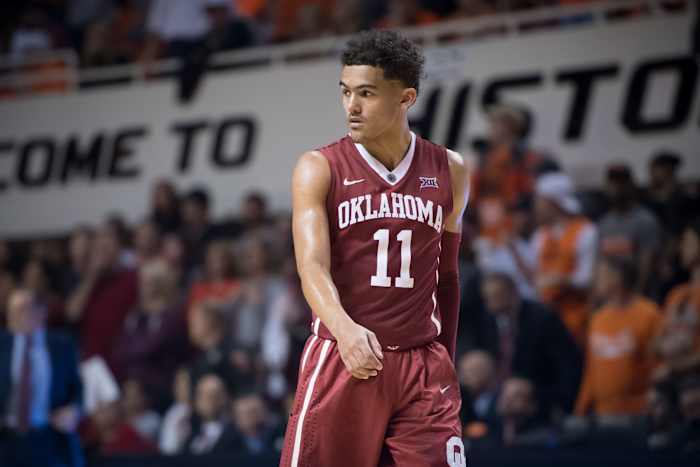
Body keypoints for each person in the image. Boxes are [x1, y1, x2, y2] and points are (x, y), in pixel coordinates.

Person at [279, 30, 471, 467]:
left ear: (406, 98)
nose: (352, 106)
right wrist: (345, 330)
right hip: (343, 357)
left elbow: (447, 275)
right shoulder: (319, 167)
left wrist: (446, 362)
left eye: (366, 93)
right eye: (345, 92)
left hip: (423, 366)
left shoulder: (450, 169)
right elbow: (311, 267)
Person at [474, 272, 582, 416]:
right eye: (488, 298)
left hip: (538, 394)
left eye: (496, 296)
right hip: (499, 391)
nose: (491, 303)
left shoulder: (542, 319)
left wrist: (533, 390)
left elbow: (567, 364)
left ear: (512, 293)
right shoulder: (488, 321)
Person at [0, 289, 84, 467]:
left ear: (40, 312)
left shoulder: (62, 345)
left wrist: (74, 410)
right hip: (5, 439)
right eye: (11, 310)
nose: (14, 316)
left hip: (48, 437)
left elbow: (77, 388)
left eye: (22, 309)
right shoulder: (2, 344)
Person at [575, 255, 662, 420]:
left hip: (640, 413)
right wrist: (581, 409)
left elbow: (658, 363)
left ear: (617, 277)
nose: (596, 281)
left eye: (601, 274)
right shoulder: (597, 319)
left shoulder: (649, 314)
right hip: (603, 415)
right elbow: (590, 370)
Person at [532, 172, 598, 346]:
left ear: (553, 203)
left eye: (540, 200)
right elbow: (536, 278)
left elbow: (589, 279)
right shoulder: (540, 235)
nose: (536, 206)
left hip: (575, 319)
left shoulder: (586, 231)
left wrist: (561, 280)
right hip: (545, 317)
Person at [597, 164, 661, 295]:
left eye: (622, 182)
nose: (617, 187)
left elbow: (646, 264)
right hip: (611, 298)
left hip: (637, 296)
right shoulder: (604, 223)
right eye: (613, 182)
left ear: (631, 185)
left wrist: (637, 297)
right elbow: (600, 263)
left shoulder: (645, 220)